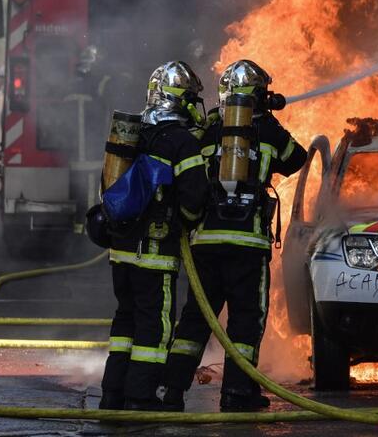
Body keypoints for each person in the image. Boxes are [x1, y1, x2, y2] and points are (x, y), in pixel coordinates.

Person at [164, 59, 307, 412]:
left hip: (206, 243)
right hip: (248, 246)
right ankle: (237, 394)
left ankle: (170, 392)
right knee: (245, 320)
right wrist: (267, 120)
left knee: (195, 320)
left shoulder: (208, 132)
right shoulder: (270, 134)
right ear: (259, 95)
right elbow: (297, 158)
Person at [98, 61, 208, 411]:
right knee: (154, 329)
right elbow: (194, 202)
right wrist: (186, 224)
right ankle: (140, 398)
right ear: (182, 101)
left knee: (124, 323)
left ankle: (112, 394)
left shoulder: (134, 134)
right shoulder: (181, 142)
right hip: (155, 253)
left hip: (122, 251)